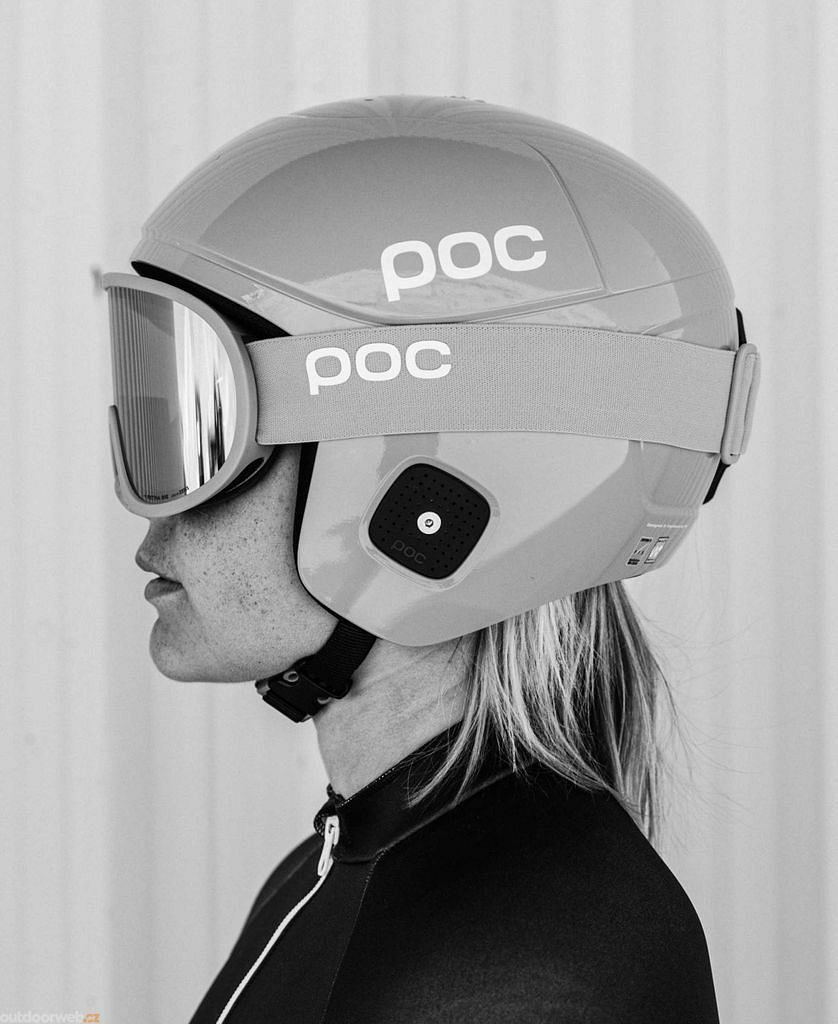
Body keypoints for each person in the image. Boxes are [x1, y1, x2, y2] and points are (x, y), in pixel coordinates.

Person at [103, 95, 760, 1023]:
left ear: (426, 499)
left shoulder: (518, 969)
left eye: (207, 435)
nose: (153, 518)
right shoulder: (359, 862)